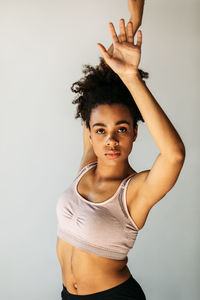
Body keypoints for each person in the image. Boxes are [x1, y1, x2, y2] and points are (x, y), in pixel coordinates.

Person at [56, 1, 185, 299]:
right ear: (89, 132)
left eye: (122, 129)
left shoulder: (136, 191)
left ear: (135, 132)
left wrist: (131, 78)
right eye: (101, 131)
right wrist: (134, 21)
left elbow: (174, 155)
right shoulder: (88, 162)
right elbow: (96, 94)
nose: (110, 140)